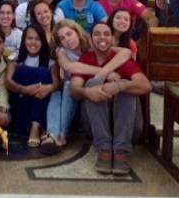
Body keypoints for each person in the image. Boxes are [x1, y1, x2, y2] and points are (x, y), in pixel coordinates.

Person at [70, 21, 151, 175]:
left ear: (113, 39)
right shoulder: (86, 58)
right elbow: (74, 90)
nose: (102, 37)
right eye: (97, 34)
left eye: (106, 34)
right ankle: (104, 150)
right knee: (93, 83)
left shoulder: (122, 59)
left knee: (126, 84)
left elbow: (146, 86)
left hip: (128, 128)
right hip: (96, 128)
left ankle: (121, 151)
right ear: (91, 39)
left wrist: (120, 86)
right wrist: (88, 92)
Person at [42, 20, 131, 155]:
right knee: (58, 93)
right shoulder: (62, 51)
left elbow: (126, 52)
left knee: (67, 85)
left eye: (69, 34)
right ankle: (55, 134)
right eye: (62, 38)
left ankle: (59, 134)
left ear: (77, 32)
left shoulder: (92, 43)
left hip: (92, 88)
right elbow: (70, 67)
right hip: (73, 90)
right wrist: (103, 71)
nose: (67, 39)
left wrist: (105, 71)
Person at [6, 24, 59, 146]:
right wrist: (24, 89)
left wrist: (48, 88)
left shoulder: (50, 60)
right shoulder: (15, 57)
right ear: (24, 40)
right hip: (21, 104)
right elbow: (8, 82)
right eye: (30, 38)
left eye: (37, 39)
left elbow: (57, 84)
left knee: (44, 72)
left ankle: (36, 126)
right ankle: (36, 127)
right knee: (23, 70)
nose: (33, 42)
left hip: (40, 107)